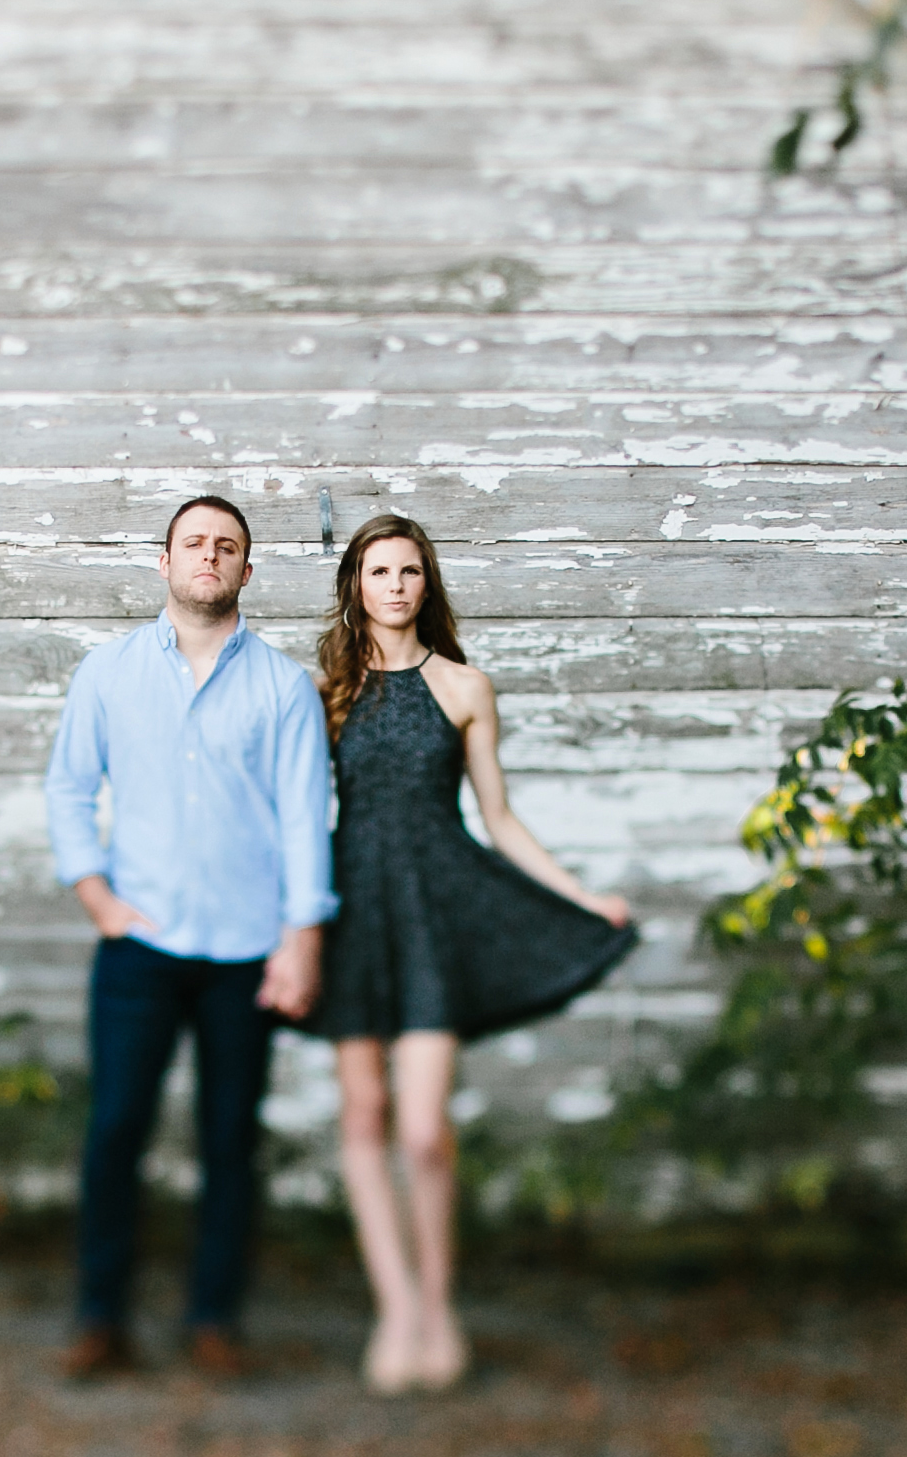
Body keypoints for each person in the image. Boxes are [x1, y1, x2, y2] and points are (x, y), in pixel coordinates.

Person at [310, 513, 636, 1393]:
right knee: (364, 1113)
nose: (396, 584)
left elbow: (498, 817)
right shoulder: (325, 688)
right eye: (379, 570)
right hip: (352, 910)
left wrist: (580, 896)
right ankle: (398, 1310)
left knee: (421, 1130)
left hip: (436, 907)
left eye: (410, 569)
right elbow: (294, 812)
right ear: (355, 585)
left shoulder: (465, 686)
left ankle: (439, 1302)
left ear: (428, 582)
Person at [41, 493, 333, 1382]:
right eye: (194, 542)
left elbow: (304, 820)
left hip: (247, 951)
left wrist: (302, 939)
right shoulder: (108, 672)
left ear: (248, 571)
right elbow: (67, 789)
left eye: (227, 546)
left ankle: (214, 1319)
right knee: (116, 1130)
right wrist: (97, 898)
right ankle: (101, 1317)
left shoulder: (284, 686)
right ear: (163, 562)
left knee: (228, 1142)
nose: (209, 555)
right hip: (140, 945)